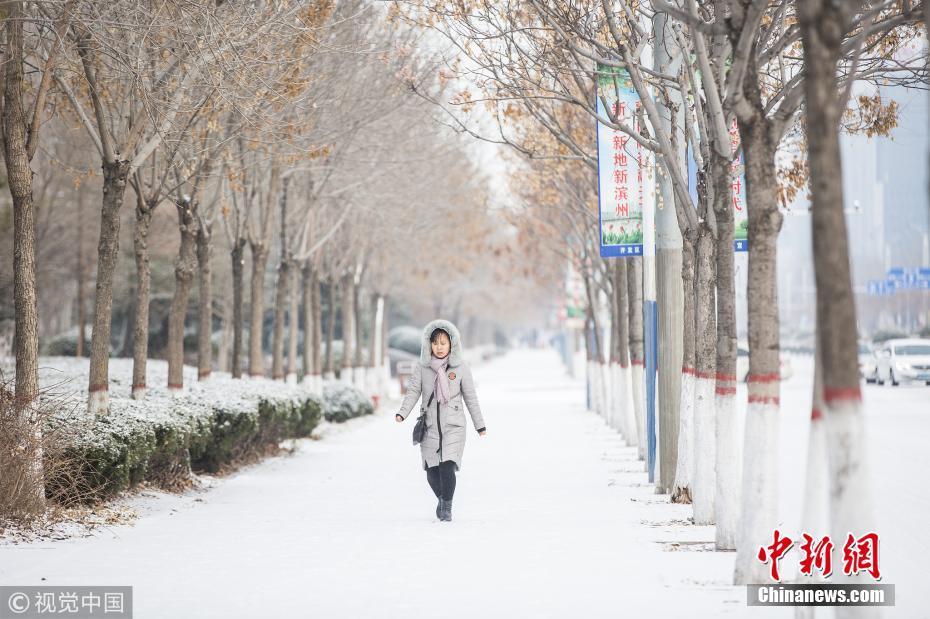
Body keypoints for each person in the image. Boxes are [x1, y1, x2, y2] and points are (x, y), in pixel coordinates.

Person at [395, 319, 486, 522]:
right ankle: (442, 500)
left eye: (443, 343)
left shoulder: (461, 368)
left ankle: (447, 508)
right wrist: (403, 413)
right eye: (435, 343)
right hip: (429, 427)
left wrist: (479, 425)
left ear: (452, 344)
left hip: (454, 426)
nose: (439, 347)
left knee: (447, 465)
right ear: (429, 344)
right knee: (432, 471)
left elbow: (471, 398)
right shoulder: (422, 367)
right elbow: (413, 392)